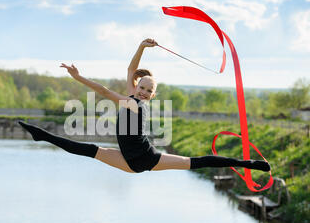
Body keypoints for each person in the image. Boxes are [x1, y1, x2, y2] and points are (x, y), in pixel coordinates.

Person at [18, 38, 270, 174]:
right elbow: (130, 70)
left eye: (150, 90)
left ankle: (249, 164)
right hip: (128, 161)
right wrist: (141, 47)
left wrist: (77, 77)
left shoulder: (134, 104)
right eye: (143, 87)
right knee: (88, 150)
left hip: (148, 158)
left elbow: (104, 91)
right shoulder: (132, 96)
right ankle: (41, 135)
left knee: (196, 162)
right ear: (138, 86)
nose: (145, 91)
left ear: (151, 94)